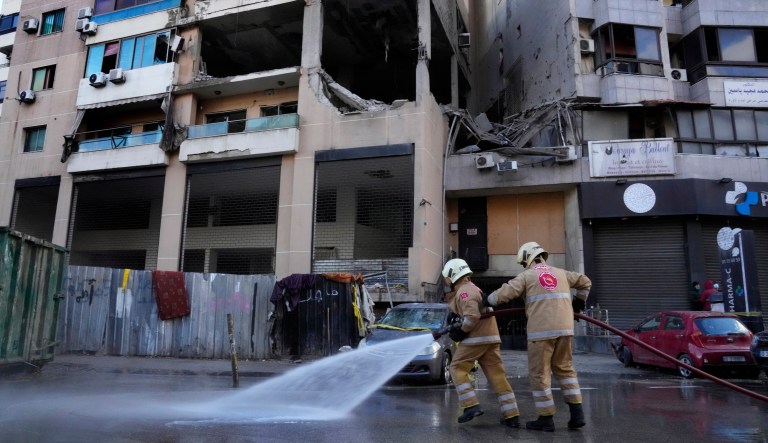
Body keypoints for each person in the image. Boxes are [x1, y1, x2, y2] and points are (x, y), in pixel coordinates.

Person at [483, 242, 591, 432]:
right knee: (565, 370)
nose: (524, 267)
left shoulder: (527, 276)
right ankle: (577, 415)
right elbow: (585, 281)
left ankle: (546, 419)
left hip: (541, 333)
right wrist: (579, 301)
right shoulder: (562, 273)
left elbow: (505, 293)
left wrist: (487, 300)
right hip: (566, 330)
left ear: (527, 259)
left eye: (523, 263)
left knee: (540, 374)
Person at [440, 258, 521, 428]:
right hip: (490, 338)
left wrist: (462, 331)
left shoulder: (464, 291)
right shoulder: (473, 288)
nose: (446, 282)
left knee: (457, 368)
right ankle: (511, 414)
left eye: (447, 278)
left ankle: (470, 406)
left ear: (453, 275)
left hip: (476, 339)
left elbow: (472, 316)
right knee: (497, 376)